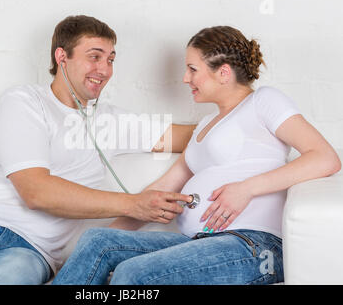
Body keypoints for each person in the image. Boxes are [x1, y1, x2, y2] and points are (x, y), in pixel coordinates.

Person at [0, 15, 195, 285]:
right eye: (94, 56)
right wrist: (134, 203)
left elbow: (191, 136)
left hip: (31, 248)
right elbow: (35, 191)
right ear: (62, 57)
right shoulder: (24, 101)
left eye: (110, 60)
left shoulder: (114, 122)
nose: (105, 70)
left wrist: (232, 103)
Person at [52, 25, 342, 285]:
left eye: (192, 69)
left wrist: (246, 189)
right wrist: (112, 234)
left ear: (223, 72)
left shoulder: (264, 102)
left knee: (134, 274)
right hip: (197, 242)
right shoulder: (205, 126)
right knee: (98, 241)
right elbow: (161, 190)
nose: (184, 78)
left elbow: (325, 158)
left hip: (252, 244)